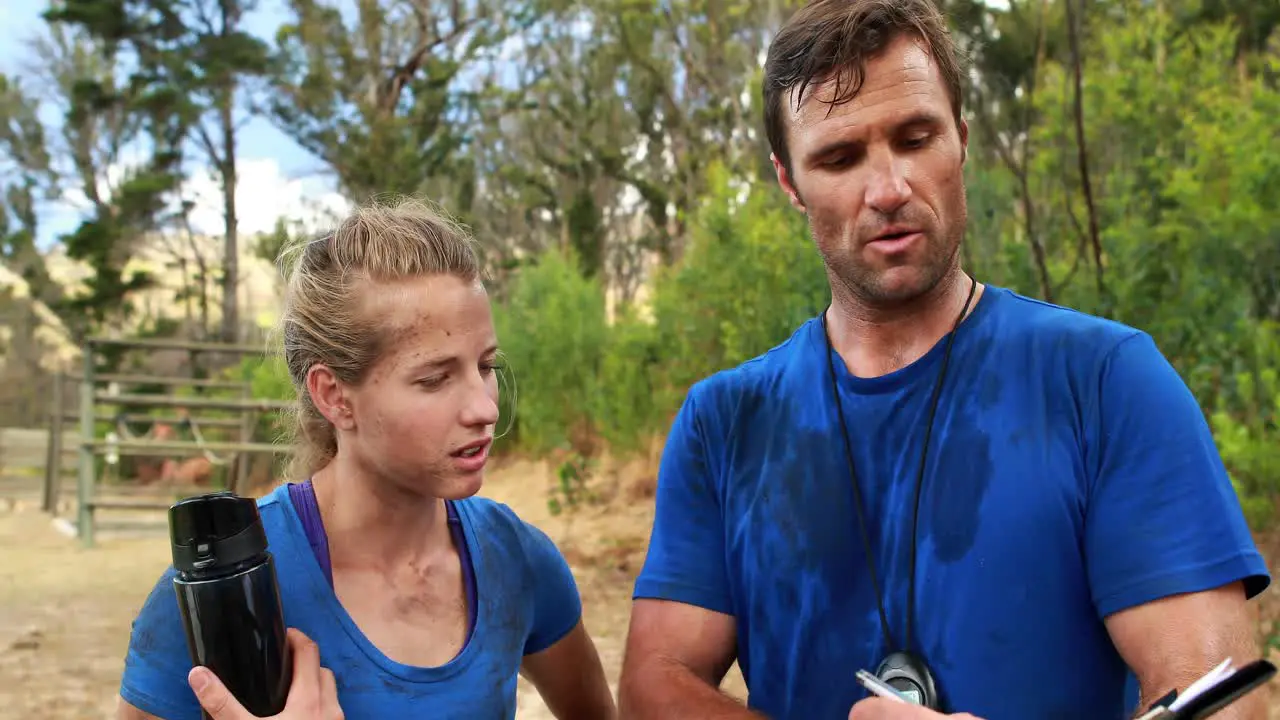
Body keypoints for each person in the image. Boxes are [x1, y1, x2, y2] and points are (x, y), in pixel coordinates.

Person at [616, 1, 1271, 719]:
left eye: (915, 137)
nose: (888, 189)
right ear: (788, 181)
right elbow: (655, 683)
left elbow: (1224, 701)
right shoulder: (725, 421)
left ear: (960, 139)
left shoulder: (1106, 381)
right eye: (839, 157)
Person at [116, 199, 617, 719]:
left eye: (485, 365)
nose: (485, 406)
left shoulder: (515, 559)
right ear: (334, 395)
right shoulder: (217, 600)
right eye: (434, 379)